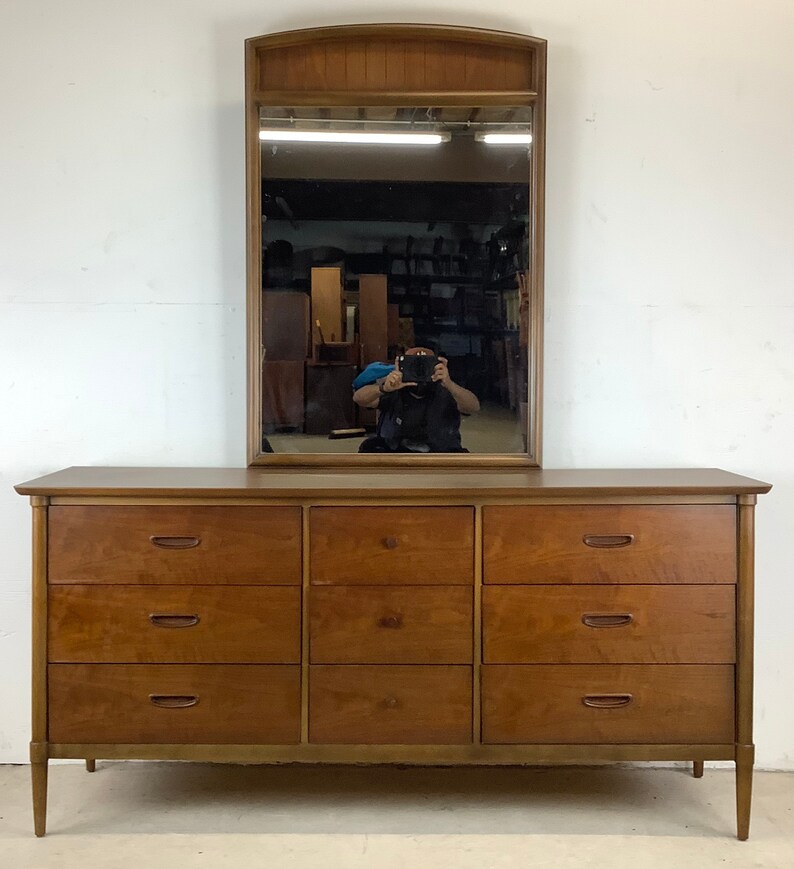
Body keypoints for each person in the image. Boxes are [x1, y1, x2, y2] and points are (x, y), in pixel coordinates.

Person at [353, 347, 480, 453]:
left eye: (425, 363)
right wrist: (383, 388)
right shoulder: (393, 389)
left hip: (441, 453)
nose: (419, 369)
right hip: (395, 453)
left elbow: (473, 407)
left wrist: (449, 384)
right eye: (413, 363)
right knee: (369, 448)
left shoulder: (446, 389)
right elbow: (359, 398)